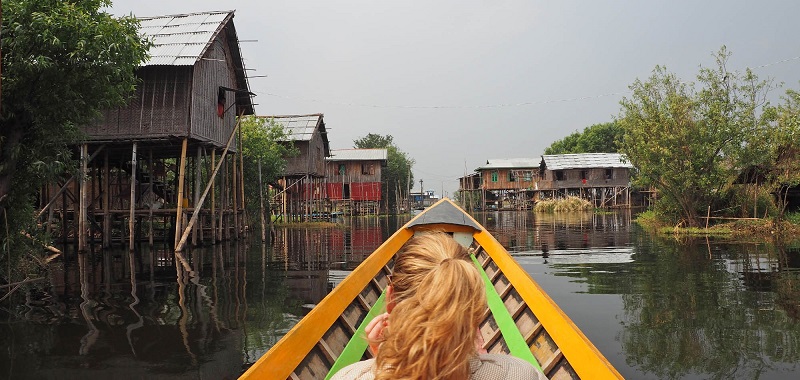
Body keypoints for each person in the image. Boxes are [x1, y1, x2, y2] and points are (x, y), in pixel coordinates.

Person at [332, 232, 547, 380]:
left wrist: (386, 362)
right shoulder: (522, 374)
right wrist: (476, 356)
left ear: (391, 300)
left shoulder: (346, 377)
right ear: (476, 312)